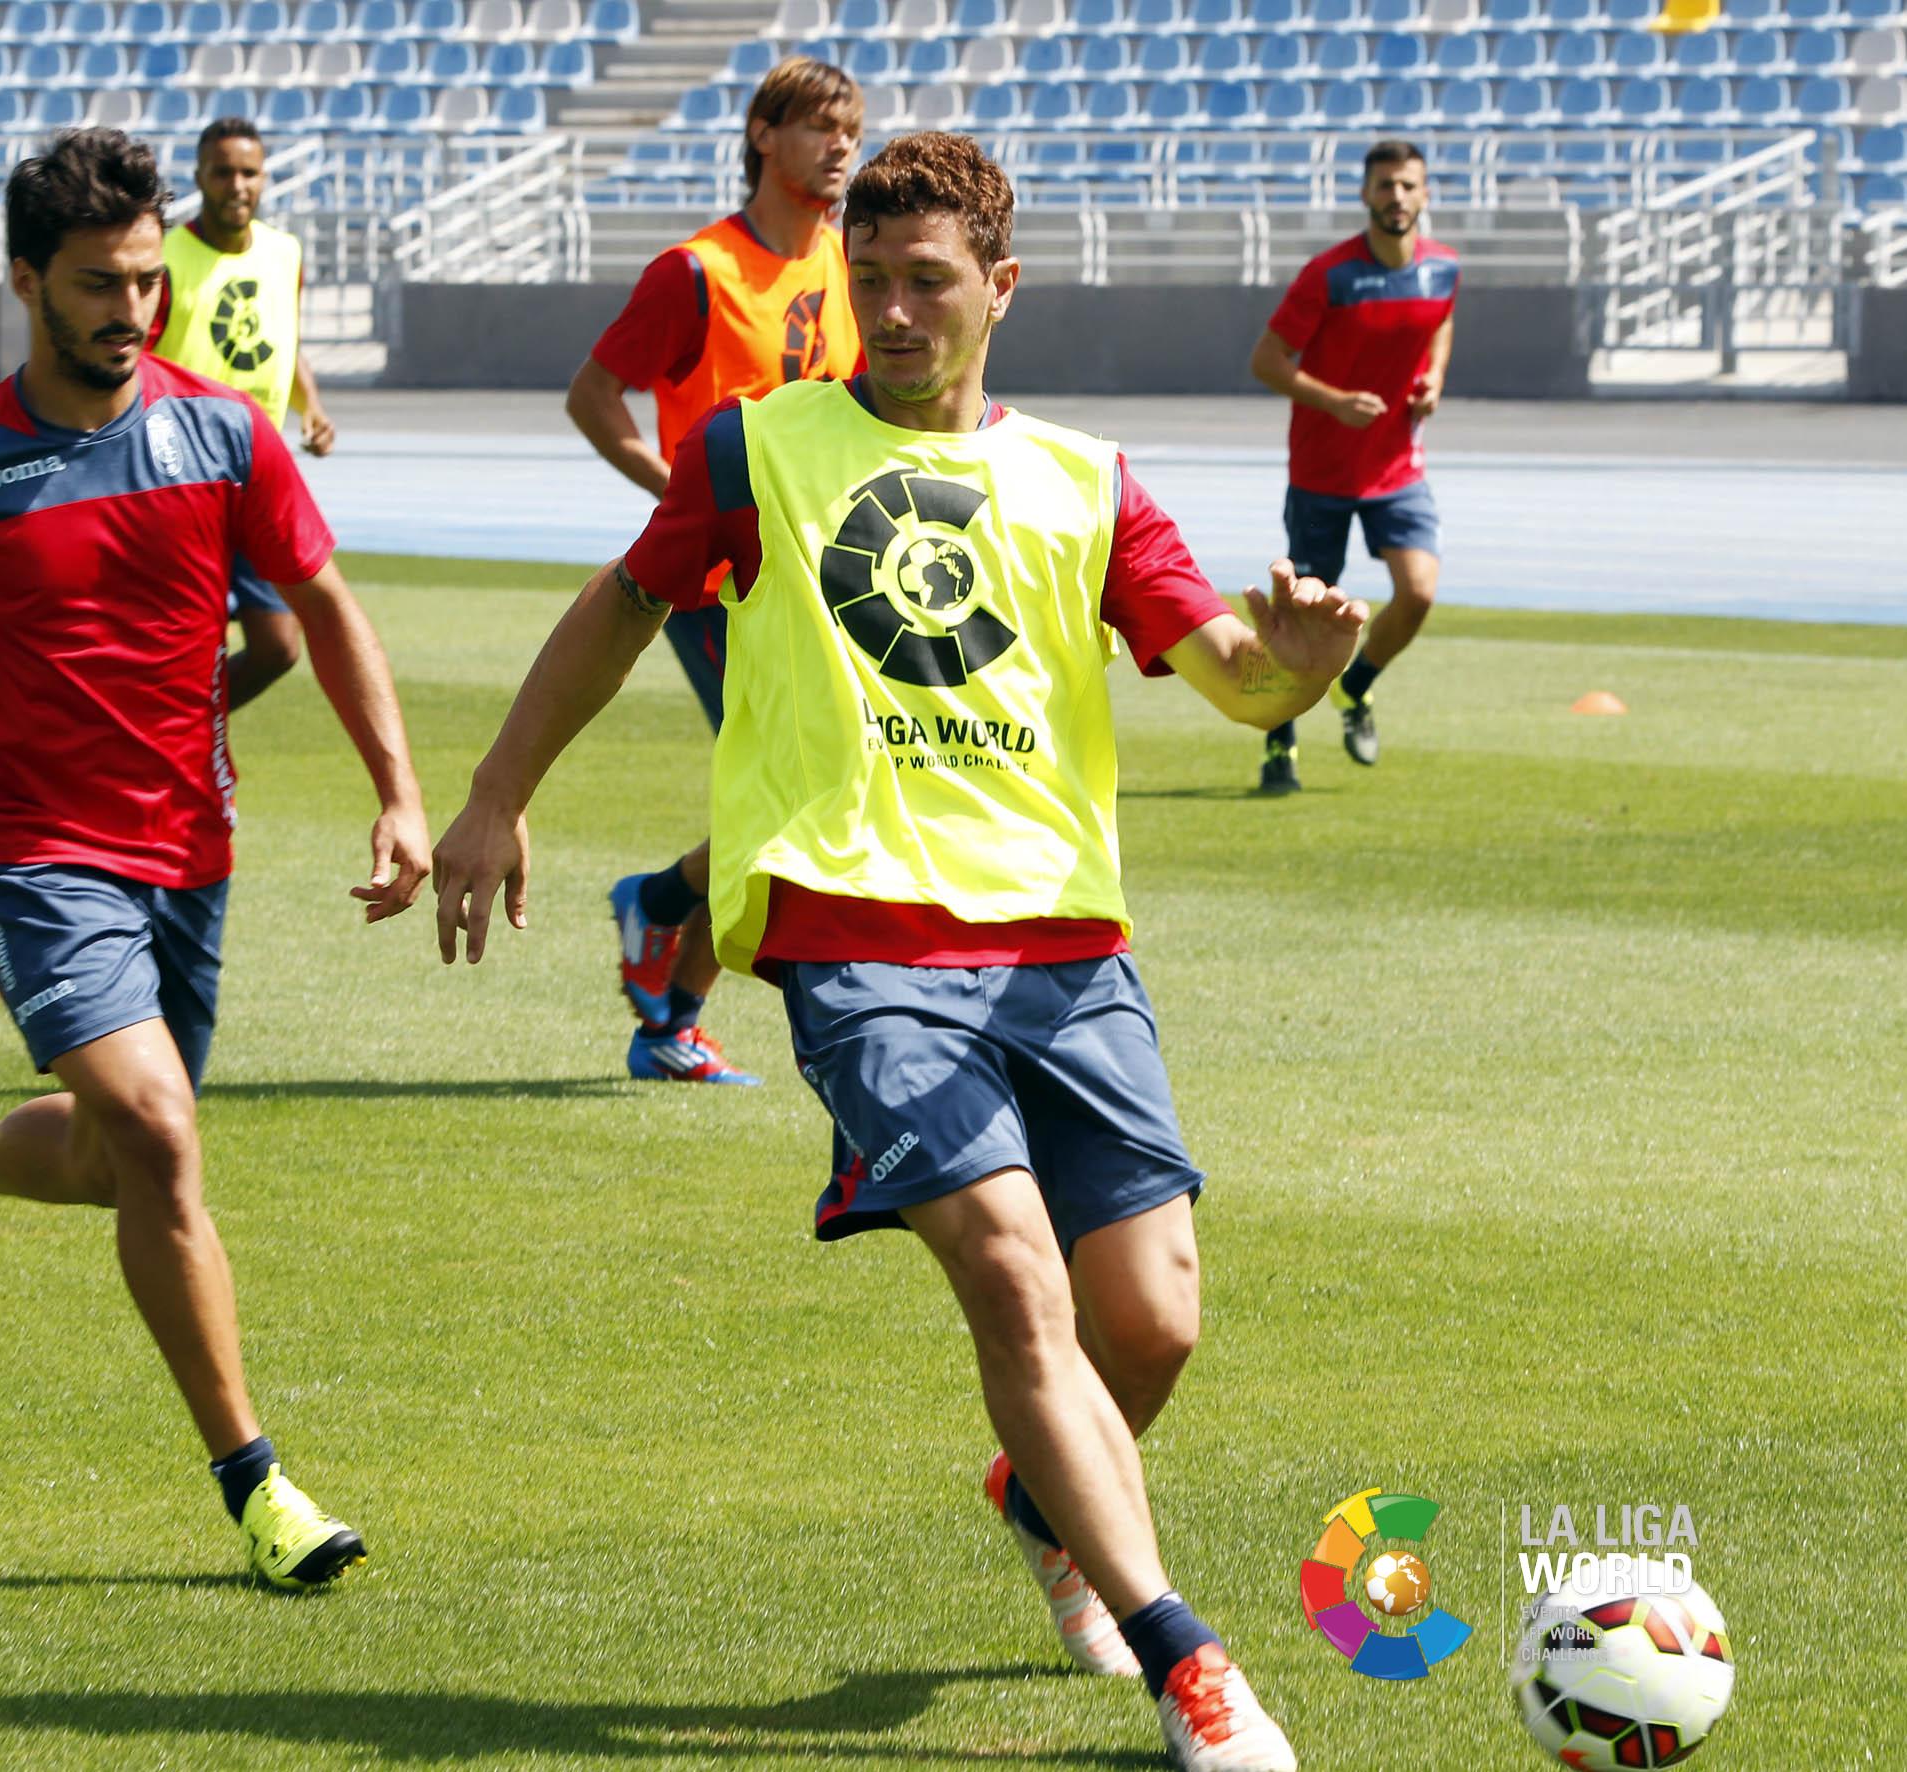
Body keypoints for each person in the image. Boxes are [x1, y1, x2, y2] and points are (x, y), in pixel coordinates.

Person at [431, 133, 1366, 1771]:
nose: (890, 311)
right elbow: (620, 607)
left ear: (1000, 288)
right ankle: (1189, 1661)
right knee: (1009, 1269)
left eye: (924, 280)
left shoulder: (1081, 477)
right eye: (864, 281)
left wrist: (1288, 669)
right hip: (853, 936)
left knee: (1145, 1322)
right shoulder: (757, 450)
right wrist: (494, 794)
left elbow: (1223, 666)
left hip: (1061, 946)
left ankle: (1039, 1492)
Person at [0, 130, 430, 1591]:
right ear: (24, 279)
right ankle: (258, 1487)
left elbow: (325, 612)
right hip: (32, 853)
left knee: (113, 1157)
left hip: (188, 853)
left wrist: (400, 792)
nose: (131, 312)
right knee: (157, 1133)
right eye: (97, 285)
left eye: (148, 283)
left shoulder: (226, 434)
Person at [565, 55, 862, 1086]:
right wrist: (676, 496)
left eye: (851, 130)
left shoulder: (850, 264)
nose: (840, 148)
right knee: (798, 785)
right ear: (761, 136)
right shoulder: (697, 272)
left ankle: (666, 981)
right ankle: (666, 949)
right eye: (821, 126)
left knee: (800, 788)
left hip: (826, 576)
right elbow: (596, 394)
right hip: (720, 580)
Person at [1248, 138, 1456, 794]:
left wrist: (1434, 380)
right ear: (1366, 195)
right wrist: (1334, 403)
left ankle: (1356, 686)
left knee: (1419, 592)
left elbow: (1440, 324)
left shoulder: (1444, 268)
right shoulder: (1329, 274)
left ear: (1425, 195)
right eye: (1386, 186)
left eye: (1409, 186)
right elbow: (1267, 361)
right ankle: (1279, 744)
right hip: (1323, 472)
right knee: (1305, 617)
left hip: (1398, 465)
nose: (1397, 197)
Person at [148, 115, 337, 710]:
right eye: (223, 172)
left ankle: (179, 725)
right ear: (200, 177)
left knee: (279, 646)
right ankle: (168, 740)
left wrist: (313, 407)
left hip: (260, 475)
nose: (237, 184)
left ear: (264, 179)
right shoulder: (165, 258)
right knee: (188, 642)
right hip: (180, 481)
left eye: (249, 172)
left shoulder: (285, 253)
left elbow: (284, 338)